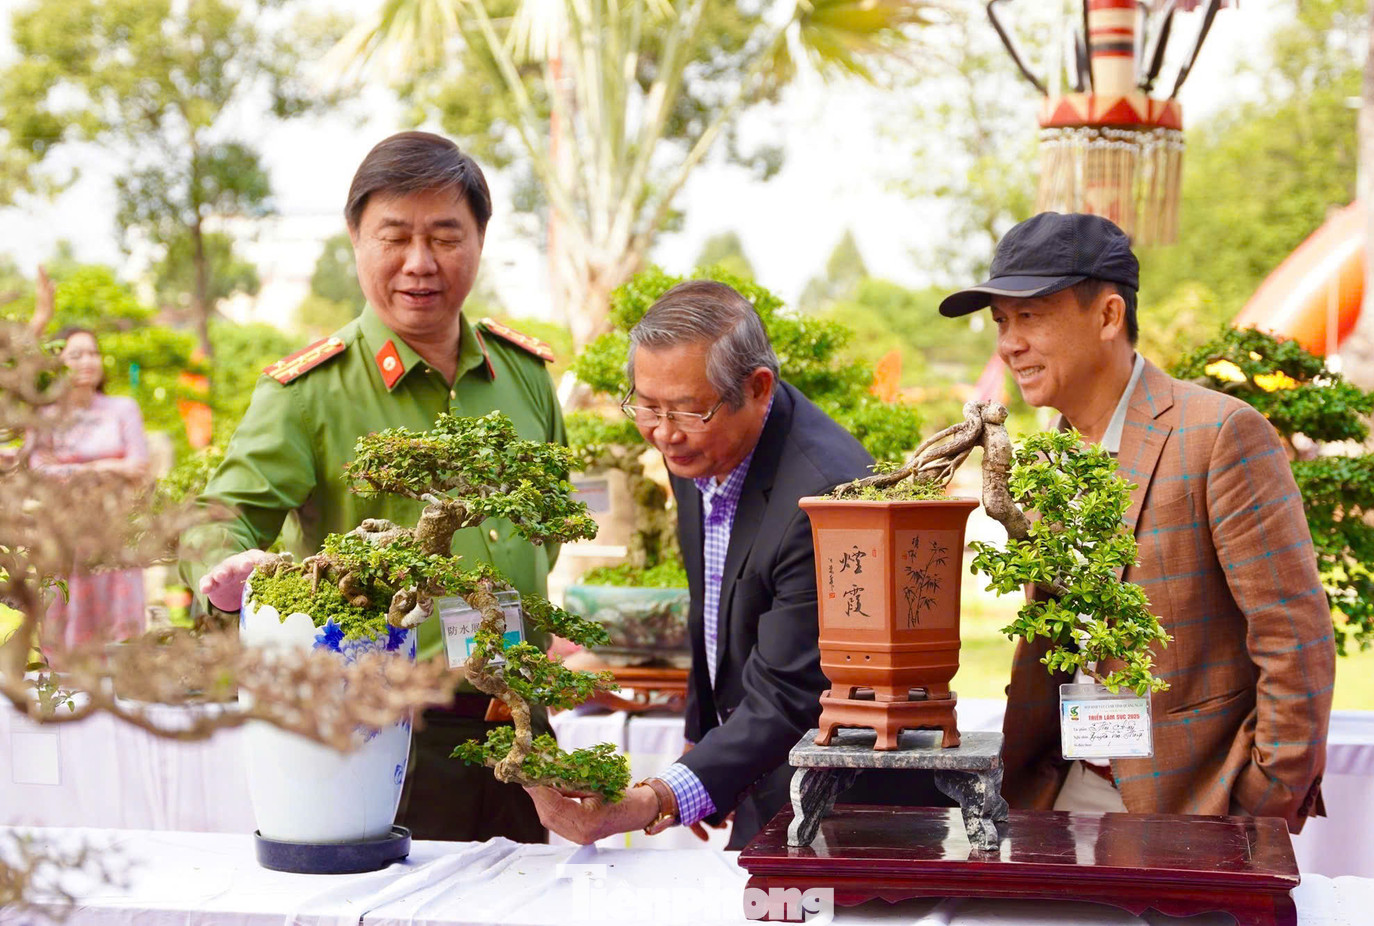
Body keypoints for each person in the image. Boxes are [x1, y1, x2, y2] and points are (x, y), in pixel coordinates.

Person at [178, 131, 564, 843]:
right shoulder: (308, 393)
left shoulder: (525, 378)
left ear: (480, 238)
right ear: (356, 239)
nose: (420, 263)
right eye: (395, 236)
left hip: (522, 726)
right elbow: (219, 517)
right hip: (389, 737)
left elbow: (550, 528)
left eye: (446, 236)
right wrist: (225, 571)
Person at [938, 212, 1335, 832]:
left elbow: (1295, 639)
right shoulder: (1048, 457)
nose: (1009, 343)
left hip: (1194, 806)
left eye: (1031, 315)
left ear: (1107, 316)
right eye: (1003, 322)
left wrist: (1258, 806)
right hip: (1057, 788)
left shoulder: (1220, 434)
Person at [527, 281, 940, 849]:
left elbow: (793, 693)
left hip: (839, 798)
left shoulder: (827, 496)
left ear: (759, 388)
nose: (664, 433)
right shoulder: (696, 446)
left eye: (687, 410)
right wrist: (704, 741)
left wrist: (659, 797)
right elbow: (713, 601)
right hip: (761, 773)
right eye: (646, 406)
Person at [30, 325, 150, 651]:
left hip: (116, 528)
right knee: (64, 611)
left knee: (120, 621)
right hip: (64, 530)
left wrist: (69, 467)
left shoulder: (123, 409)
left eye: (94, 353)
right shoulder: (45, 417)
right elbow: (38, 470)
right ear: (57, 364)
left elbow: (138, 466)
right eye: (76, 354)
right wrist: (108, 466)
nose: (88, 361)